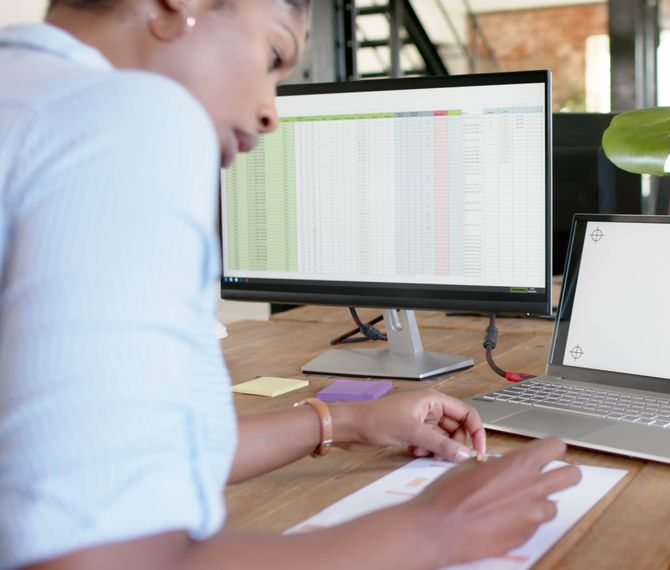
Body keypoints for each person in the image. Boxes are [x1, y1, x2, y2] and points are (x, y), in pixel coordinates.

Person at [0, 1, 580, 569]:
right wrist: (432, 532)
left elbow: (122, 459)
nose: (271, 113)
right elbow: (97, 557)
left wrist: (342, 421)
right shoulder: (130, 118)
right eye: (273, 53)